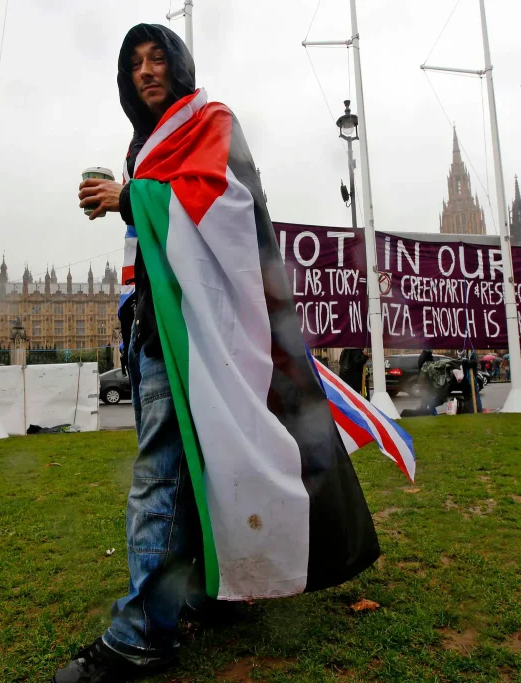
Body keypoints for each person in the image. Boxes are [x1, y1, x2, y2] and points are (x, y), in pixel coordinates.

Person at [65, 25, 378, 682]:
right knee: (197, 467)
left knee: (160, 478)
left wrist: (132, 197)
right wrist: (133, 198)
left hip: (194, 332)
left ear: (179, 66)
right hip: (155, 327)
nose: (146, 71)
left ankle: (142, 632)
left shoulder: (209, 122)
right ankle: (214, 587)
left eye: (157, 58)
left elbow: (229, 209)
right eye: (134, 63)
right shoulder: (145, 145)